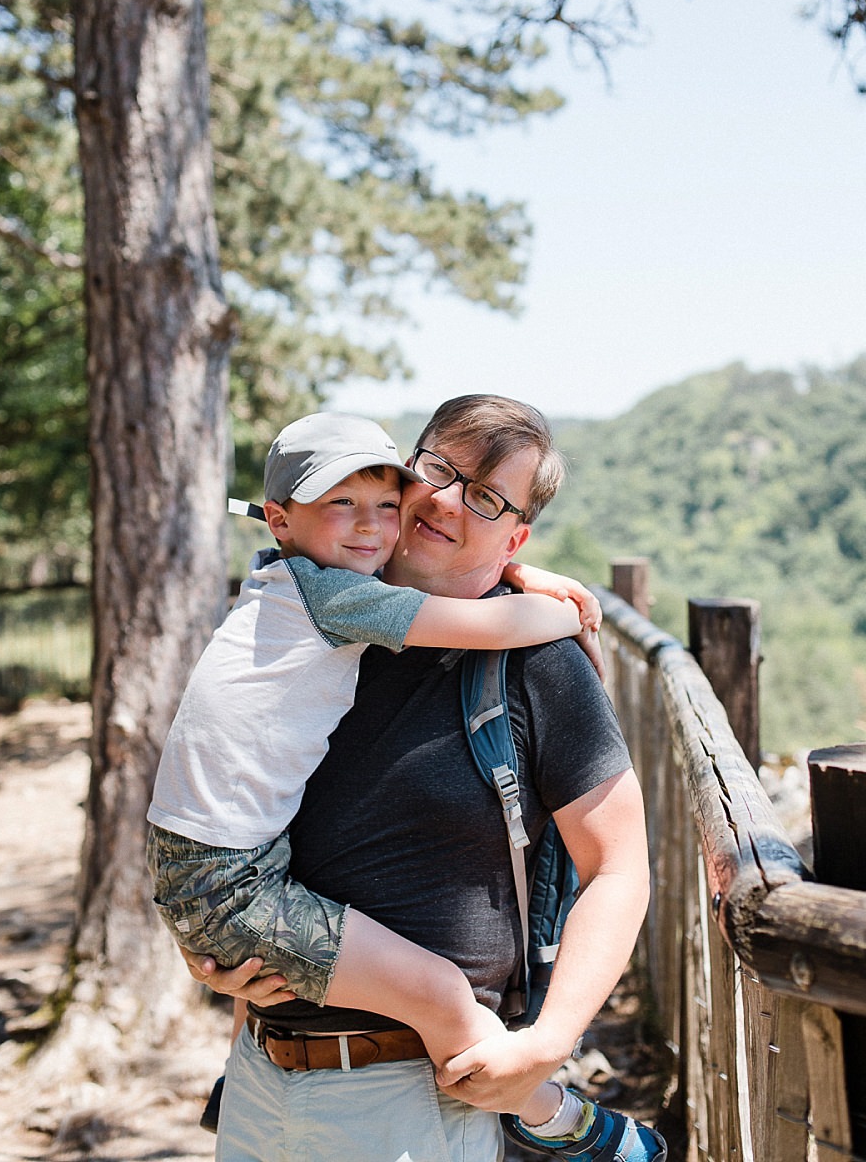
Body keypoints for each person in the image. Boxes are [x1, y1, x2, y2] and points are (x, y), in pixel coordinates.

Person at [183, 396, 663, 1161]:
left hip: (412, 1099)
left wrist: (549, 1041)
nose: (444, 500)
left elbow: (619, 865)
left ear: (517, 533)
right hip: (258, 1077)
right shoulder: (307, 619)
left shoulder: (537, 661)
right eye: (437, 467)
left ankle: (557, 1112)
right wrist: (209, 944)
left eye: (486, 497)